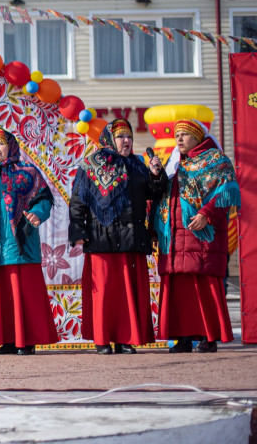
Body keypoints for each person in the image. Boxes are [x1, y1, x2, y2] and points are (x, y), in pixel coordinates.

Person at [69, 119, 166, 354]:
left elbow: (153, 193)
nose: (126, 141)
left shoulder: (138, 165)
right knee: (104, 292)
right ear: (110, 139)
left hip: (131, 238)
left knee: (127, 291)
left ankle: (124, 339)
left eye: (129, 137)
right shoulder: (91, 164)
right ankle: (103, 340)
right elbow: (78, 200)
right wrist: (78, 230)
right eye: (121, 136)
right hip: (101, 237)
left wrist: (156, 175)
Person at [154, 119, 239, 354]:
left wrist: (206, 214)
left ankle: (208, 338)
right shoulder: (174, 164)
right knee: (180, 291)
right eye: (177, 135)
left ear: (197, 136)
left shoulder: (215, 160)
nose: (178, 139)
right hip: (174, 237)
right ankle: (182, 338)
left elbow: (227, 190)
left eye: (184, 134)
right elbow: (162, 197)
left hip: (201, 235)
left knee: (204, 287)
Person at [0, 129, 59, 355]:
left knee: (22, 295)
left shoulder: (28, 171)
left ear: (10, 146)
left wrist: (37, 215)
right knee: (0, 298)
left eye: (0, 144)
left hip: (19, 244)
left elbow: (44, 199)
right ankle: (7, 341)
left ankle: (26, 341)